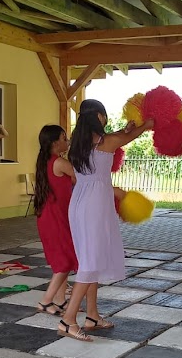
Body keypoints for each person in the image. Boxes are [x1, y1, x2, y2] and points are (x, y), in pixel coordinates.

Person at [58, 99, 153, 342]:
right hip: (94, 206)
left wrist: (126, 128)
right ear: (99, 116)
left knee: (91, 260)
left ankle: (92, 316)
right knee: (90, 263)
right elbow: (125, 137)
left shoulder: (78, 144)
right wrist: (146, 124)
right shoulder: (106, 142)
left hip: (80, 203)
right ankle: (68, 320)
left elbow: (118, 137)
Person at [35, 125, 77, 315]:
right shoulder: (59, 163)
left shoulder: (46, 161)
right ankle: (46, 301)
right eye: (64, 137)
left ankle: (60, 300)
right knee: (65, 260)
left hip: (51, 216)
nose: (66, 141)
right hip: (55, 218)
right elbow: (82, 177)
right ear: (54, 143)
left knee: (63, 257)